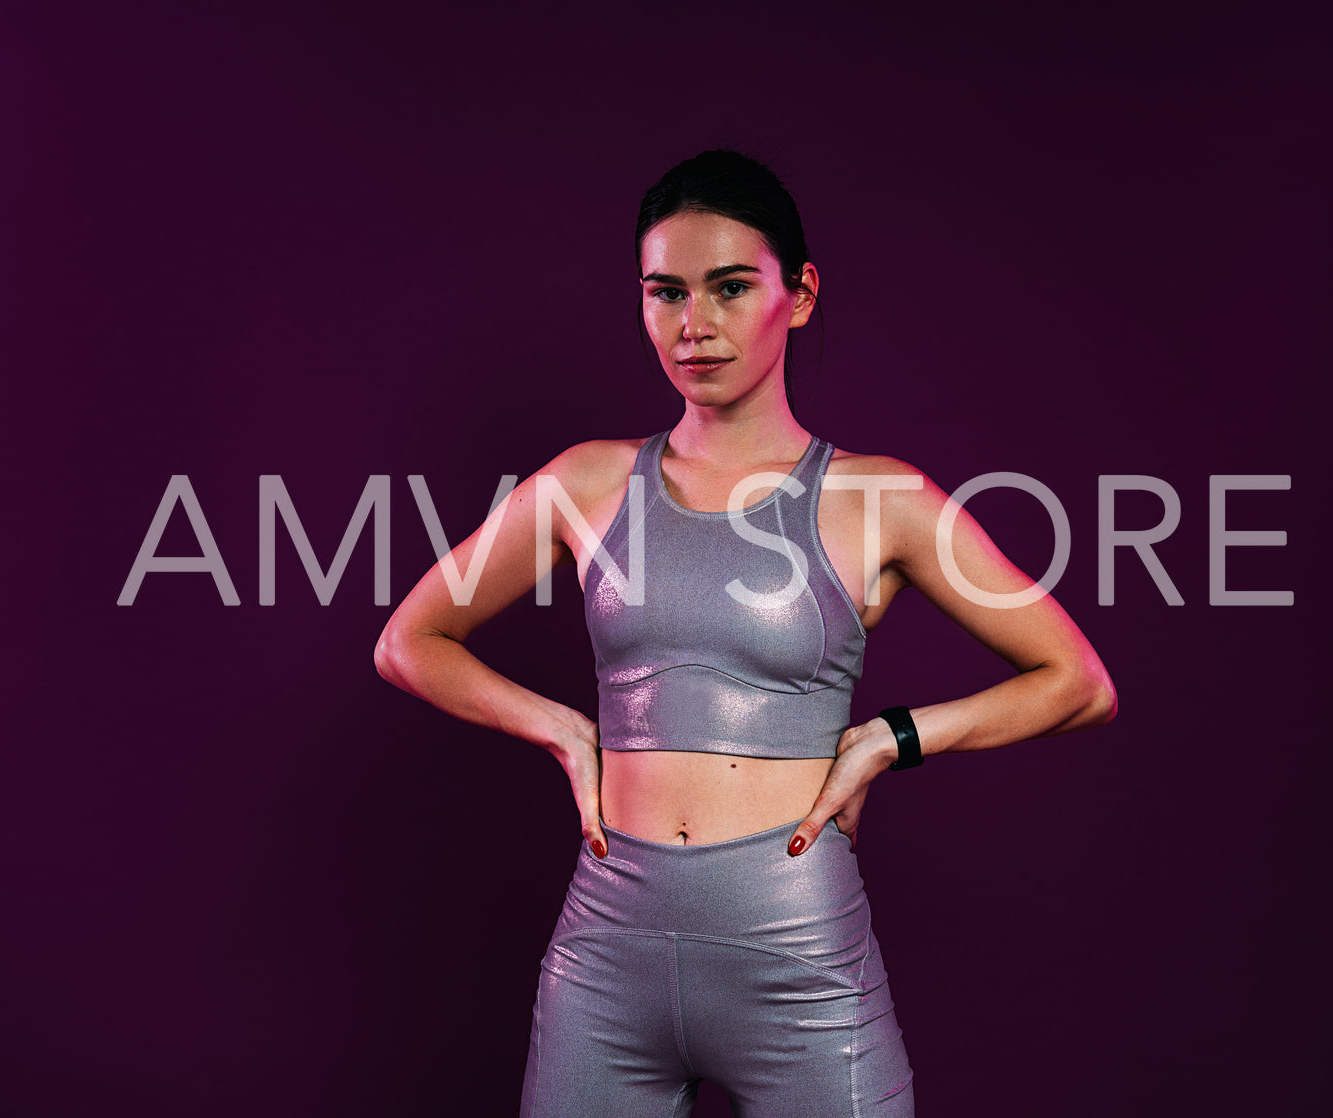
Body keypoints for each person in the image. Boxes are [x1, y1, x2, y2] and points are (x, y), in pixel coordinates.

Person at [374, 149, 1117, 1117]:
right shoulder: (585, 484)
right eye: (665, 291)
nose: (694, 325)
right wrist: (558, 727)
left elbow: (1075, 680)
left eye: (729, 287)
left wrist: (884, 741)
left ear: (798, 293)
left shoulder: (875, 496)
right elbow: (410, 640)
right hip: (607, 953)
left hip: (796, 954)